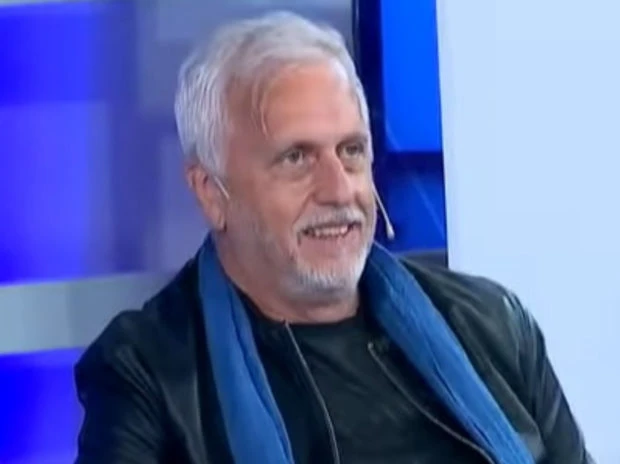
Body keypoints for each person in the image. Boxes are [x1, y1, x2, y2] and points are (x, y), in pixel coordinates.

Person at [74, 11, 592, 464]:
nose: (339, 190)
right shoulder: (148, 372)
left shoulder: (495, 325)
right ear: (211, 192)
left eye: (351, 151)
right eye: (296, 158)